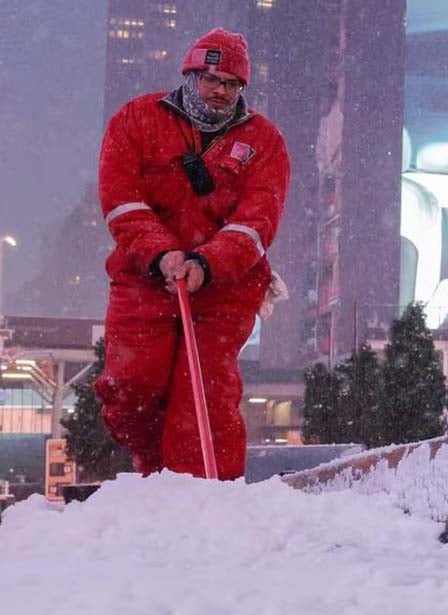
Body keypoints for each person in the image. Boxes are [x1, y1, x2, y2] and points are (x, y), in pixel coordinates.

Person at [94, 28, 291, 480]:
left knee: (204, 388)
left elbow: (258, 220)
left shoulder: (264, 142)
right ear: (190, 74)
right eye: (211, 79)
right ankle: (154, 469)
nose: (220, 91)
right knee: (131, 384)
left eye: (231, 84)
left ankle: (206, 495)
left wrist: (207, 263)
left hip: (226, 285)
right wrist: (161, 253)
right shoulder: (136, 121)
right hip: (143, 276)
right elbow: (121, 200)